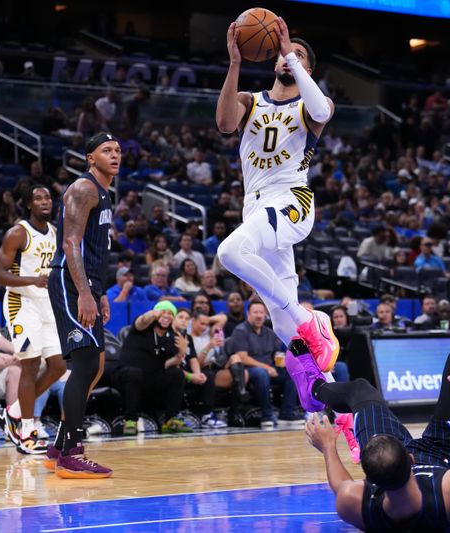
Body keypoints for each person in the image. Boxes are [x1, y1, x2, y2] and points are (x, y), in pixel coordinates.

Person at [285, 217, 450, 531]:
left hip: (391, 460)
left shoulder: (358, 503)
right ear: (409, 460)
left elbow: (341, 485)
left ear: (368, 481)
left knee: (360, 391)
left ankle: (313, 389)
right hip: (445, 454)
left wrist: (330, 448)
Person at [215, 16, 339, 373]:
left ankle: (311, 320)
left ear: (307, 68)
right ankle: (339, 412)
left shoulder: (312, 106)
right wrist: (235, 62)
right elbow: (224, 124)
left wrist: (291, 52)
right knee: (284, 323)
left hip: (290, 201)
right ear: (272, 62)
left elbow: (320, 110)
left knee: (230, 252)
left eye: (298, 55)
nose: (288, 57)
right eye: (284, 54)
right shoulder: (249, 101)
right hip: (254, 207)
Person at [46, 132, 119, 479]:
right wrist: (85, 293)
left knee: (98, 364)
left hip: (87, 283)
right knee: (86, 364)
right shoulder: (84, 188)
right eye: (106, 150)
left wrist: (98, 290)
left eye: (118, 150)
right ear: (90, 157)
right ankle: (72, 452)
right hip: (70, 281)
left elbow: (94, 250)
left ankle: (58, 447)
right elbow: (71, 243)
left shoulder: (104, 193)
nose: (115, 155)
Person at [0, 186, 67, 455]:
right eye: (39, 198)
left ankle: (13, 411)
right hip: (21, 303)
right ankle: (26, 431)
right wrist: (32, 280)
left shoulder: (56, 233)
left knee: (58, 366)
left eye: (48, 197)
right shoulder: (18, 233)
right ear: (28, 204)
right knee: (31, 364)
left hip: (46, 304)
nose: (45, 201)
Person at [118, 302, 193, 434]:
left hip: (152, 377)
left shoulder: (172, 336)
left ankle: (171, 419)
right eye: (163, 312)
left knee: (177, 374)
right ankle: (130, 420)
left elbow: (166, 365)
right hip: (127, 374)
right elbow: (142, 321)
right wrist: (153, 314)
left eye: (170, 314)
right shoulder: (143, 327)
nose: (167, 315)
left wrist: (181, 353)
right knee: (134, 373)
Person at [228, 300, 302, 429]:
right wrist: (266, 367)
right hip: (248, 370)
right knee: (261, 373)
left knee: (293, 372)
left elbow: (277, 353)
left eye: (261, 312)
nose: (258, 315)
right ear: (248, 314)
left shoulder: (269, 332)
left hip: (269, 368)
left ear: (265, 315)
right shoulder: (240, 330)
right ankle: (267, 415)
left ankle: (286, 413)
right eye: (255, 312)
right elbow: (242, 357)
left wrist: (284, 361)